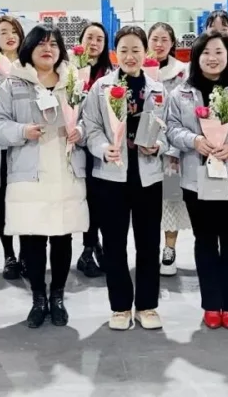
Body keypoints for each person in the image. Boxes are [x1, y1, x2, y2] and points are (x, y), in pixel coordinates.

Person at [165, 30, 228, 330]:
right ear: (196, 57)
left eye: (219, 52)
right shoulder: (181, 93)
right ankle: (211, 303)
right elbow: (171, 128)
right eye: (206, 53)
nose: (212, 58)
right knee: (206, 239)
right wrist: (194, 140)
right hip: (197, 178)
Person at [0, 25, 88, 328]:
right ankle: (38, 298)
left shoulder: (72, 81)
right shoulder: (13, 83)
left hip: (65, 170)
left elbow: (90, 120)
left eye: (54, 44)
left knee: (62, 237)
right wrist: (22, 131)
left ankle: (57, 296)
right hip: (28, 173)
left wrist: (80, 131)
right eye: (42, 44)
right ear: (29, 48)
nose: (48, 49)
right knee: (32, 240)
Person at [82, 26, 167, 331]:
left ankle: (146, 305)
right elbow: (90, 126)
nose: (130, 56)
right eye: (124, 50)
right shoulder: (101, 87)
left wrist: (158, 146)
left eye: (136, 50)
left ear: (146, 52)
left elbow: (169, 128)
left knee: (149, 243)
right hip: (110, 177)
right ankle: (119, 306)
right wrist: (102, 148)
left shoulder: (157, 89)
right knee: (114, 244)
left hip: (148, 177)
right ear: (115, 53)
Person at [0, 15, 28, 280]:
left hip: (26, 145)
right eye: (3, 32)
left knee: (24, 201)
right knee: (2, 204)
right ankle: (9, 255)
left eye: (14, 31)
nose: (9, 36)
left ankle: (26, 254)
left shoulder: (30, 64)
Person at [147, 22, 191, 277]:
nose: (159, 44)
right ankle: (148, 249)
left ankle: (169, 249)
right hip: (145, 146)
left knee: (171, 198)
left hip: (173, 147)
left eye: (165, 39)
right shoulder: (138, 69)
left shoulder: (183, 72)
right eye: (155, 39)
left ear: (172, 43)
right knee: (147, 203)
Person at [73, 22, 113, 279]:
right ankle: (89, 248)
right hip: (75, 145)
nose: (94, 43)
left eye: (99, 39)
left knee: (98, 201)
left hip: (101, 147)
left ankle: (92, 248)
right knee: (81, 200)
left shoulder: (112, 73)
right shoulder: (69, 70)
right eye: (90, 37)